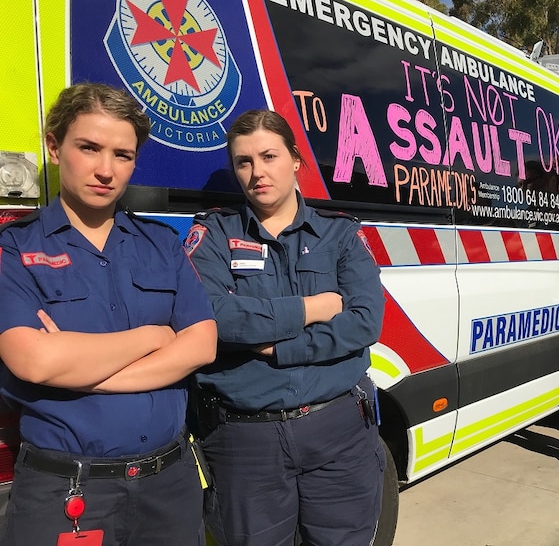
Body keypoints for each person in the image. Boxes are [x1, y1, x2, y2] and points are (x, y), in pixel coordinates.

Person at [0, 83, 217, 545]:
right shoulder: (15, 248)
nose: (106, 170)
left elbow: (202, 343)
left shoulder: (162, 245)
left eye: (123, 155)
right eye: (89, 148)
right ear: (55, 148)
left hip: (170, 485)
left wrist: (78, 368)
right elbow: (33, 362)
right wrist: (154, 336)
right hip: (67, 492)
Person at [185, 109, 385, 546]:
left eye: (269, 156)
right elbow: (214, 317)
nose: (257, 172)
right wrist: (312, 308)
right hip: (244, 443)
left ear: (295, 160)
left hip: (338, 435)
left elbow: (365, 320)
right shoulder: (213, 235)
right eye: (243, 161)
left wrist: (277, 348)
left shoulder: (340, 235)